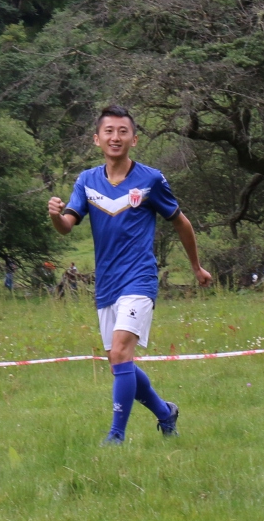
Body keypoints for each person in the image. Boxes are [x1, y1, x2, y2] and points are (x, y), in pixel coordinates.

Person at [48, 105, 214, 444]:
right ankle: (166, 413)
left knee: (122, 353)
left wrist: (196, 266)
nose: (115, 137)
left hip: (139, 279)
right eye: (109, 131)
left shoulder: (151, 179)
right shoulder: (87, 181)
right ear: (97, 139)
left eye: (123, 131)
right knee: (118, 363)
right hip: (106, 284)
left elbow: (181, 222)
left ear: (134, 139)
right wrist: (54, 215)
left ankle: (115, 437)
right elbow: (67, 226)